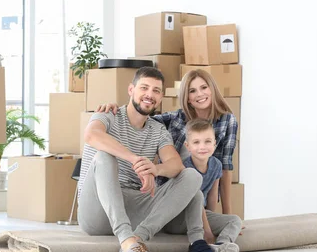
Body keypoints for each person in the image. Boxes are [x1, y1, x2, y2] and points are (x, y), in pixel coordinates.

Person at [78, 66, 216, 252]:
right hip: (97, 210)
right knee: (104, 157)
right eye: (144, 88)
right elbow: (91, 135)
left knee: (192, 176)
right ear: (131, 90)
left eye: (156, 91)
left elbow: (175, 164)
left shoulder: (158, 130)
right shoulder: (108, 114)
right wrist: (135, 160)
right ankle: (126, 242)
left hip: (134, 206)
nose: (149, 95)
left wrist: (155, 169)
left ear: (160, 98)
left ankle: (139, 239)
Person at [98, 69, 238, 215]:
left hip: (203, 191)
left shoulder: (227, 121)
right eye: (192, 91)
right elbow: (140, 115)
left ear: (212, 89)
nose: (199, 94)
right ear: (187, 98)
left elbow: (225, 168)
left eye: (204, 87)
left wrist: (227, 213)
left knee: (228, 221)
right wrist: (116, 109)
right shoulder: (175, 119)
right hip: (174, 188)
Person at [182, 118, 242, 252]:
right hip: (184, 216)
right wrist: (207, 231)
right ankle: (209, 241)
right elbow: (196, 200)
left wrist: (213, 217)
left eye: (207, 141)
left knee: (235, 220)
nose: (202, 147)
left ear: (215, 144)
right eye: (196, 142)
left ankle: (222, 244)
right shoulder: (185, 167)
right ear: (187, 146)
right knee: (197, 196)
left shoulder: (216, 165)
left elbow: (212, 195)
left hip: (203, 214)